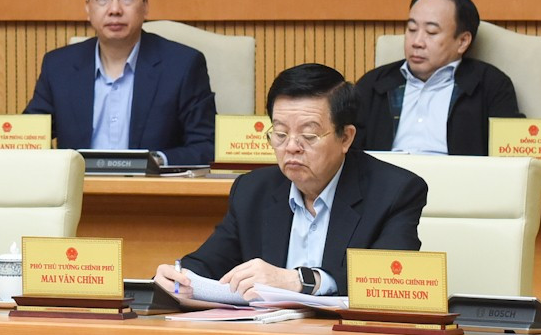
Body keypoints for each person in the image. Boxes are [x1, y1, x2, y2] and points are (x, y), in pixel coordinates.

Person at [153, 64, 425, 298]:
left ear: (346, 138)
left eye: (308, 136)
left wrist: (302, 281)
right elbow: (209, 262)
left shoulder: (394, 192)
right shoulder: (252, 191)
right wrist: (180, 276)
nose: (291, 147)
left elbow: (389, 279)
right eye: (280, 134)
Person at [24, 0, 216, 167]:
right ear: (88, 8)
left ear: (145, 6)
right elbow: (29, 138)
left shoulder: (182, 66)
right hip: (79, 193)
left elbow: (207, 146)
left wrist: (157, 161)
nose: (115, 9)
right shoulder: (58, 67)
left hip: (153, 193)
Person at [353, 0, 523, 156]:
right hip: (387, 179)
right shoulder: (373, 84)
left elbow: (509, 155)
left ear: (463, 41)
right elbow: (347, 150)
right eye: (411, 29)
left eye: (431, 32)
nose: (417, 42)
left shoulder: (491, 86)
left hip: (459, 180)